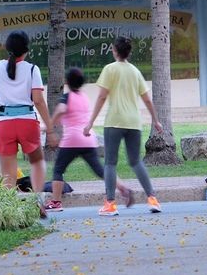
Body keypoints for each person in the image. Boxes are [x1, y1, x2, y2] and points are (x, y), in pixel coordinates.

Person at [84, 36, 164, 216]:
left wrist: (90, 122)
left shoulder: (109, 69)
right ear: (128, 52)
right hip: (134, 122)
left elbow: (102, 97)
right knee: (136, 161)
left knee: (110, 163)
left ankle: (111, 204)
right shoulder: (135, 71)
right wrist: (155, 120)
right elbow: (147, 100)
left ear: (114, 51)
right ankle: (153, 199)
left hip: (114, 121)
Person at [43, 67, 133, 212]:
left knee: (58, 169)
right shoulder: (84, 97)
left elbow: (61, 110)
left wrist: (50, 125)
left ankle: (56, 202)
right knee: (100, 170)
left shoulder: (67, 97)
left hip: (72, 140)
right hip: (88, 138)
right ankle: (123, 188)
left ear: (67, 82)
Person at [0, 31, 50, 202]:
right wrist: (50, 125)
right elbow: (38, 101)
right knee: (37, 162)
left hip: (3, 124)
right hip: (28, 122)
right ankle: (38, 202)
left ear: (7, 48)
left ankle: (8, 209)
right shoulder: (33, 69)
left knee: (8, 173)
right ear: (26, 50)